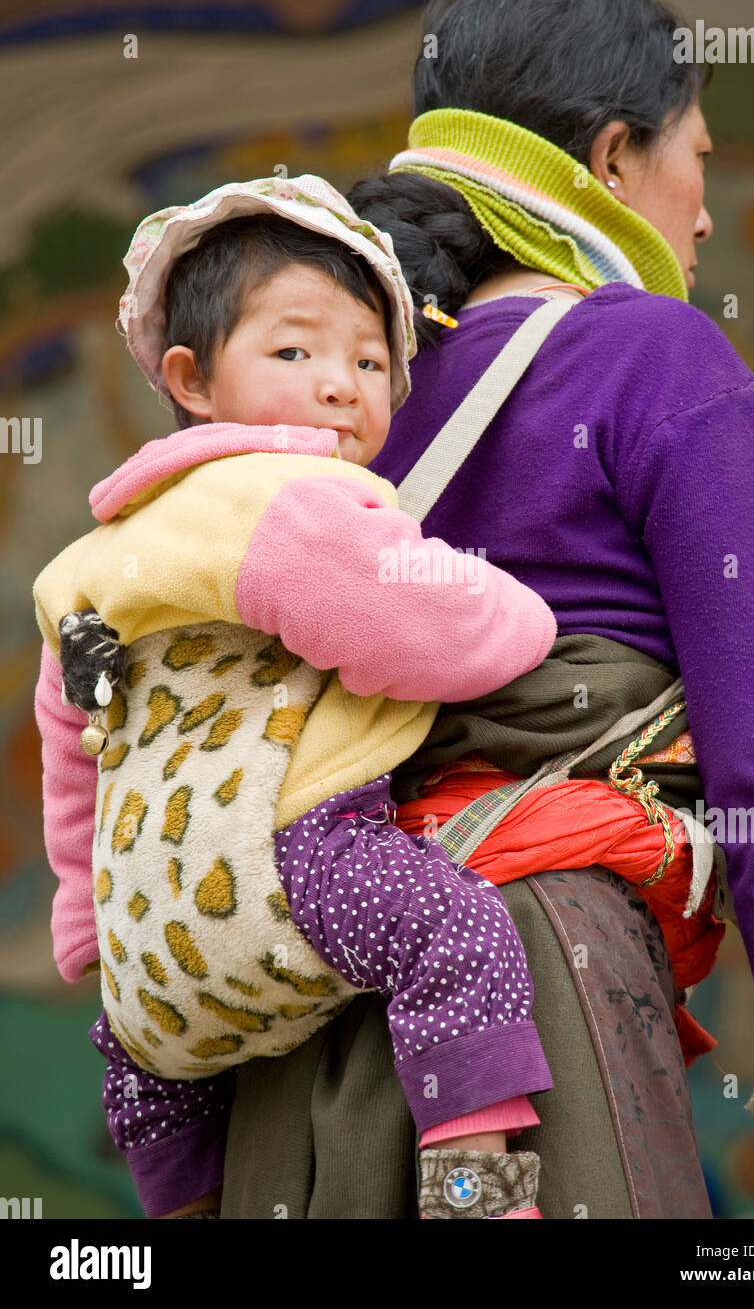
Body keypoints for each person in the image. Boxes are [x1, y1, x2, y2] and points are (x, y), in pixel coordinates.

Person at [217, 0, 754, 1220]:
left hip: (298, 1075)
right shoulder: (657, 361)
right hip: (535, 1035)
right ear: (614, 160)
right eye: (699, 160)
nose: (708, 216)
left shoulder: (326, 397)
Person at [33, 174, 564, 1222]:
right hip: (289, 864)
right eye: (295, 352)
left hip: (149, 952)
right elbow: (412, 626)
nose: (340, 384)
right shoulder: (290, 499)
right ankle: (477, 1197)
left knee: (139, 1069)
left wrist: (84, 926)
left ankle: (186, 1209)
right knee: (459, 939)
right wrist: (529, 618)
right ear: (190, 377)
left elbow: (72, 747)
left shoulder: (91, 561)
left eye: (370, 361)